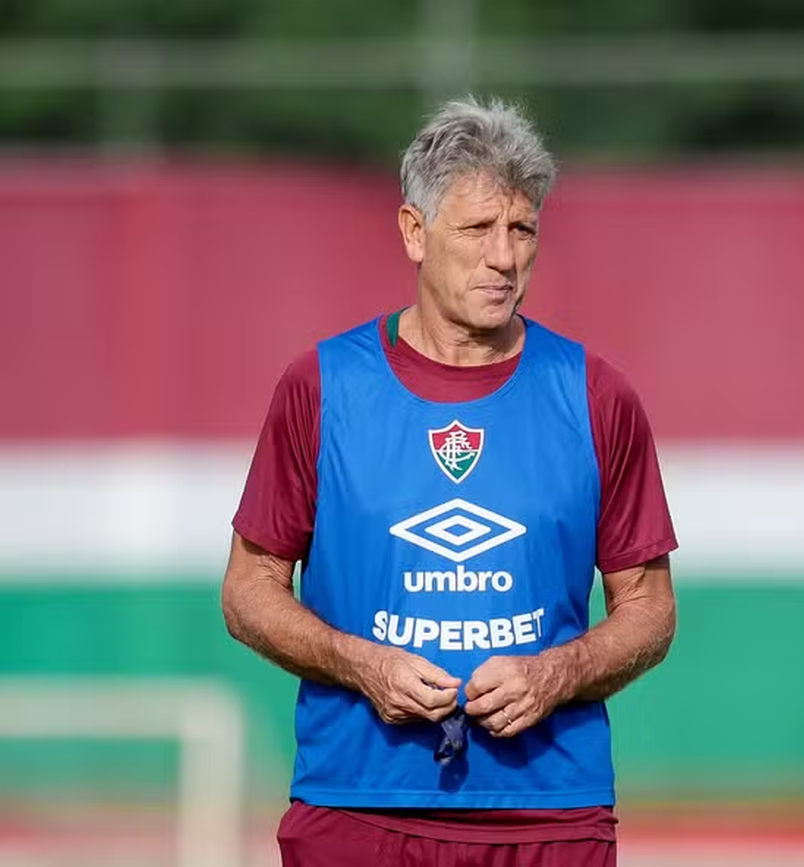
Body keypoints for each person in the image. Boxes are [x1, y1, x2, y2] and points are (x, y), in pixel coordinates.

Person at [221, 96, 678, 867]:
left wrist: (554, 673)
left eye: (522, 229)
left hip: (549, 811)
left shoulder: (596, 395)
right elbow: (248, 589)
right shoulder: (323, 386)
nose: (503, 256)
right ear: (413, 231)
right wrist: (361, 663)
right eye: (476, 229)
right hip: (355, 801)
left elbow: (651, 607)